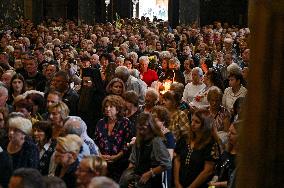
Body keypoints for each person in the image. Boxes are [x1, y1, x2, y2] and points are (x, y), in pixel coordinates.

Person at [174, 110, 220, 188]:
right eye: (192, 120)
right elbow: (177, 159)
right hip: (180, 183)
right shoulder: (185, 138)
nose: (192, 124)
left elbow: (207, 171)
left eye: (197, 122)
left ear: (205, 125)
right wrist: (176, 182)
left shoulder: (211, 144)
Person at [94, 95, 134, 181]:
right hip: (102, 163)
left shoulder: (125, 122)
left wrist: (116, 157)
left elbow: (127, 144)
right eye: (106, 106)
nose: (107, 109)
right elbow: (95, 142)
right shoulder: (100, 122)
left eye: (111, 107)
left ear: (118, 109)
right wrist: (100, 155)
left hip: (120, 163)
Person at [125, 112, 172, 188]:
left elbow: (167, 164)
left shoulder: (156, 141)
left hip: (152, 182)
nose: (141, 132)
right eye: (139, 129)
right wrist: (130, 179)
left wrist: (150, 173)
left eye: (143, 129)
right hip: (138, 180)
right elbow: (132, 162)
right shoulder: (138, 141)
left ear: (150, 127)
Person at [209, 121, 240, 188]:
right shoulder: (227, 151)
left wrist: (218, 184)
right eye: (229, 131)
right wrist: (214, 180)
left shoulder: (241, 158)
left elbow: (235, 181)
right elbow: (218, 169)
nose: (228, 134)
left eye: (233, 133)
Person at [78, 68, 105, 136]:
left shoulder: (100, 98)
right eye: (83, 81)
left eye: (87, 82)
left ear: (94, 82)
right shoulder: (81, 93)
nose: (84, 84)